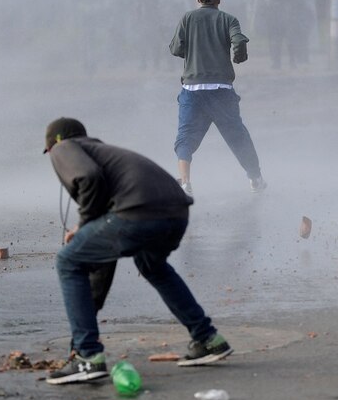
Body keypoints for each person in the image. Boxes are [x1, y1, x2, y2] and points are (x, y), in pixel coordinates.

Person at [43, 117, 233, 385]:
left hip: (138, 214)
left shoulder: (65, 147)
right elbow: (103, 260)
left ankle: (87, 358)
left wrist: (84, 226)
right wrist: (91, 303)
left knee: (67, 260)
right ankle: (208, 339)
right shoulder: (107, 154)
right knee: (153, 266)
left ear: (54, 144)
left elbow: (88, 177)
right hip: (176, 214)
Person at [169, 0, 266, 195]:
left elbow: (176, 49)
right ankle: (256, 179)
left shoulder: (187, 18)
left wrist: (192, 51)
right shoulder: (229, 20)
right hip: (221, 92)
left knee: (185, 136)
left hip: (192, 91)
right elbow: (239, 40)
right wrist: (239, 56)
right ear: (219, 0)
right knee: (237, 136)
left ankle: (185, 182)